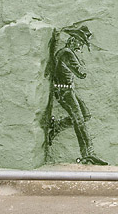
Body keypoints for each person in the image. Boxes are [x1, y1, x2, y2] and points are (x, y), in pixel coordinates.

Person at [44, 24, 107, 165]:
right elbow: (81, 74)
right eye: (79, 42)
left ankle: (57, 126)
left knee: (85, 115)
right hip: (64, 92)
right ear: (73, 40)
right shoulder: (67, 53)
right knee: (79, 121)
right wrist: (83, 60)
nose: (80, 46)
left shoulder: (66, 52)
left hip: (67, 90)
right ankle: (88, 154)